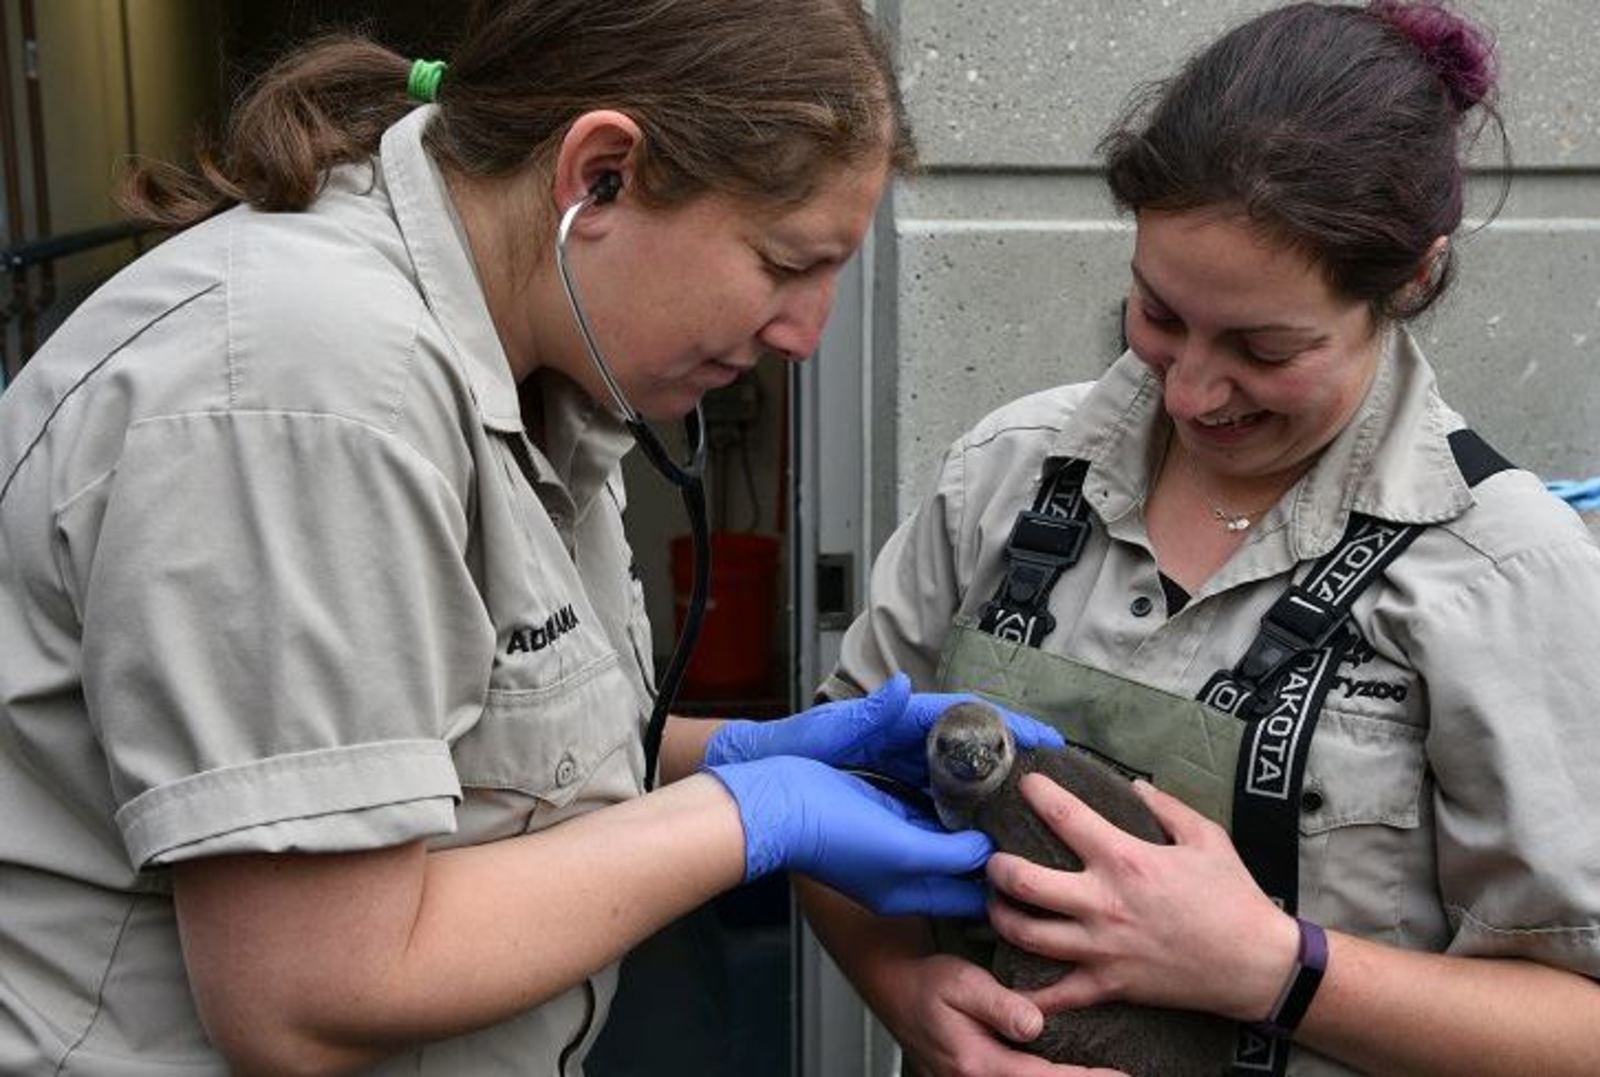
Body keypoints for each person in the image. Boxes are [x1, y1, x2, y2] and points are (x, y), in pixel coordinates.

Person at [0, 2, 1062, 1074]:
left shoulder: (535, 355)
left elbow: (463, 759)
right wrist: (753, 813)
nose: (805, 333)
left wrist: (728, 754)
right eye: (786, 263)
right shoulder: (308, 390)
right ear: (599, 172)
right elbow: (311, 993)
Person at [805, 3, 1600, 1075]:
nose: (1190, 390)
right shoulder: (1004, 474)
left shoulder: (1511, 578)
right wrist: (913, 999)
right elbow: (834, 792)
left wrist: (1273, 966)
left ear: (1411, 277)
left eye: (1265, 348)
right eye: (1158, 314)